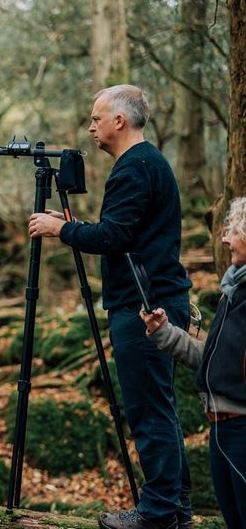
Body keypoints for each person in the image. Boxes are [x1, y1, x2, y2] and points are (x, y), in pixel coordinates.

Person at [28, 84, 193, 529]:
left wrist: (58, 231)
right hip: (157, 299)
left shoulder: (134, 167)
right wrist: (77, 227)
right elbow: (124, 231)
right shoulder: (148, 162)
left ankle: (159, 513)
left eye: (97, 118)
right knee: (160, 407)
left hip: (144, 307)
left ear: (120, 120)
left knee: (147, 410)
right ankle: (175, 508)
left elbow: (114, 238)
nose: (91, 126)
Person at [140, 197, 246, 529]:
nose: (226, 238)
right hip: (221, 429)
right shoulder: (235, 292)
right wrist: (164, 333)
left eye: (234, 229)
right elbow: (214, 362)